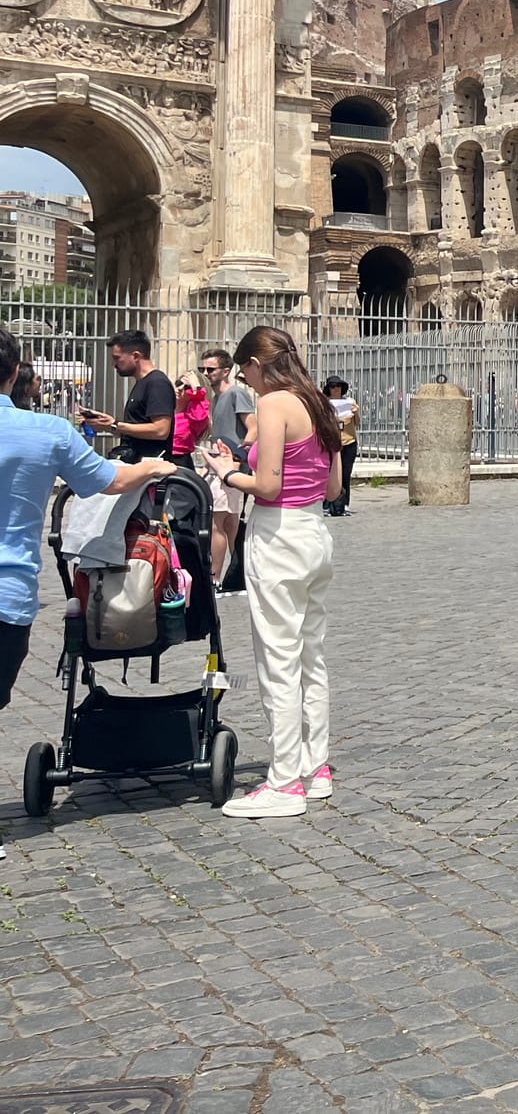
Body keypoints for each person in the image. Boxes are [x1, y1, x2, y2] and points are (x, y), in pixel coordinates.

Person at [201, 326, 343, 820]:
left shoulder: (273, 404)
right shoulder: (319, 404)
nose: (247, 382)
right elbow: (331, 486)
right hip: (314, 533)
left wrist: (224, 471)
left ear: (260, 366)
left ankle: (283, 781)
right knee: (310, 657)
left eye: (246, 372)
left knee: (277, 662)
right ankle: (315, 767)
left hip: (278, 535)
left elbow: (266, 484)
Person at [0, 324, 178, 713]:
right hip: (7, 596)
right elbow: (110, 481)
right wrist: (150, 468)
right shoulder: (49, 432)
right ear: (14, 373)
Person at [78, 329, 174, 461]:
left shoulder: (157, 383)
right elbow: (136, 428)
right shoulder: (142, 383)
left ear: (135, 356)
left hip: (150, 467)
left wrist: (115, 425)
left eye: (117, 358)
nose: (114, 364)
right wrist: (107, 424)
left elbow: (161, 430)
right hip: (136, 462)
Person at [201, 348, 253, 586]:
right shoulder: (215, 398)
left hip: (230, 466)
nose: (206, 373)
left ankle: (216, 577)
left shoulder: (235, 394)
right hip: (219, 465)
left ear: (226, 370)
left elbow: (253, 426)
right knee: (230, 523)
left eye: (210, 369)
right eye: (203, 369)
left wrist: (239, 455)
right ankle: (238, 573)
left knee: (217, 522)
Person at [322, 377, 359, 517]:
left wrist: (356, 413)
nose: (336, 389)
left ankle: (344, 504)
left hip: (348, 442)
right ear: (328, 388)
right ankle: (326, 505)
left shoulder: (350, 402)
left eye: (338, 386)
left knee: (345, 475)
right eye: (333, 386)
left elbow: (356, 423)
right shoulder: (324, 403)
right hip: (330, 444)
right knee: (328, 474)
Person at [169, 369, 210, 468]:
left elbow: (200, 418)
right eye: (179, 383)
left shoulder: (193, 416)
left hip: (179, 463)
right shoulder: (166, 409)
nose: (180, 388)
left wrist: (197, 391)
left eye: (187, 387)